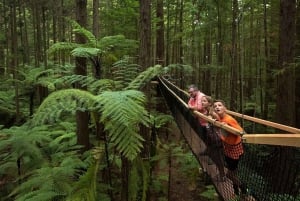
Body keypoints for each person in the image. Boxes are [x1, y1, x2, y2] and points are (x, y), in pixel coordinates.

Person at [213, 100, 247, 195]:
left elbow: (241, 132)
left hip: (234, 149)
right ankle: (235, 190)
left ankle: (243, 188)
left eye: (220, 105)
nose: (217, 107)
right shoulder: (220, 118)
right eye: (215, 106)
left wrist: (228, 127)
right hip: (227, 148)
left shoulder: (229, 119)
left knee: (229, 174)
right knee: (233, 172)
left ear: (225, 108)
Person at [201, 96, 225, 181]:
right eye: (201, 101)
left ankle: (222, 176)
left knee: (218, 158)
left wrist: (211, 121)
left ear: (209, 103)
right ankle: (222, 174)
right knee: (214, 156)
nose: (202, 102)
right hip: (211, 138)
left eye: (204, 101)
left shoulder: (213, 113)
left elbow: (219, 125)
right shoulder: (207, 111)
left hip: (216, 139)